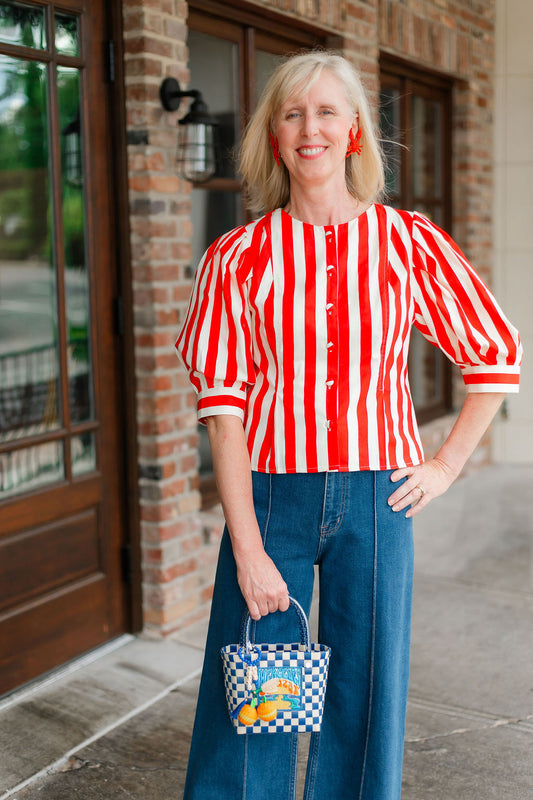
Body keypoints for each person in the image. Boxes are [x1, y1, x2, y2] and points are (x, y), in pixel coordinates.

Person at [175, 51, 522, 800]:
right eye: (293, 114)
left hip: (376, 497)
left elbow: (494, 356)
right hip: (271, 498)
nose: (311, 129)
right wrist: (247, 550)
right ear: (274, 136)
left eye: (327, 111)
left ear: (355, 130)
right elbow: (224, 415)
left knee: (365, 685)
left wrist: (444, 466)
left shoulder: (406, 243)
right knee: (256, 686)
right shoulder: (238, 258)